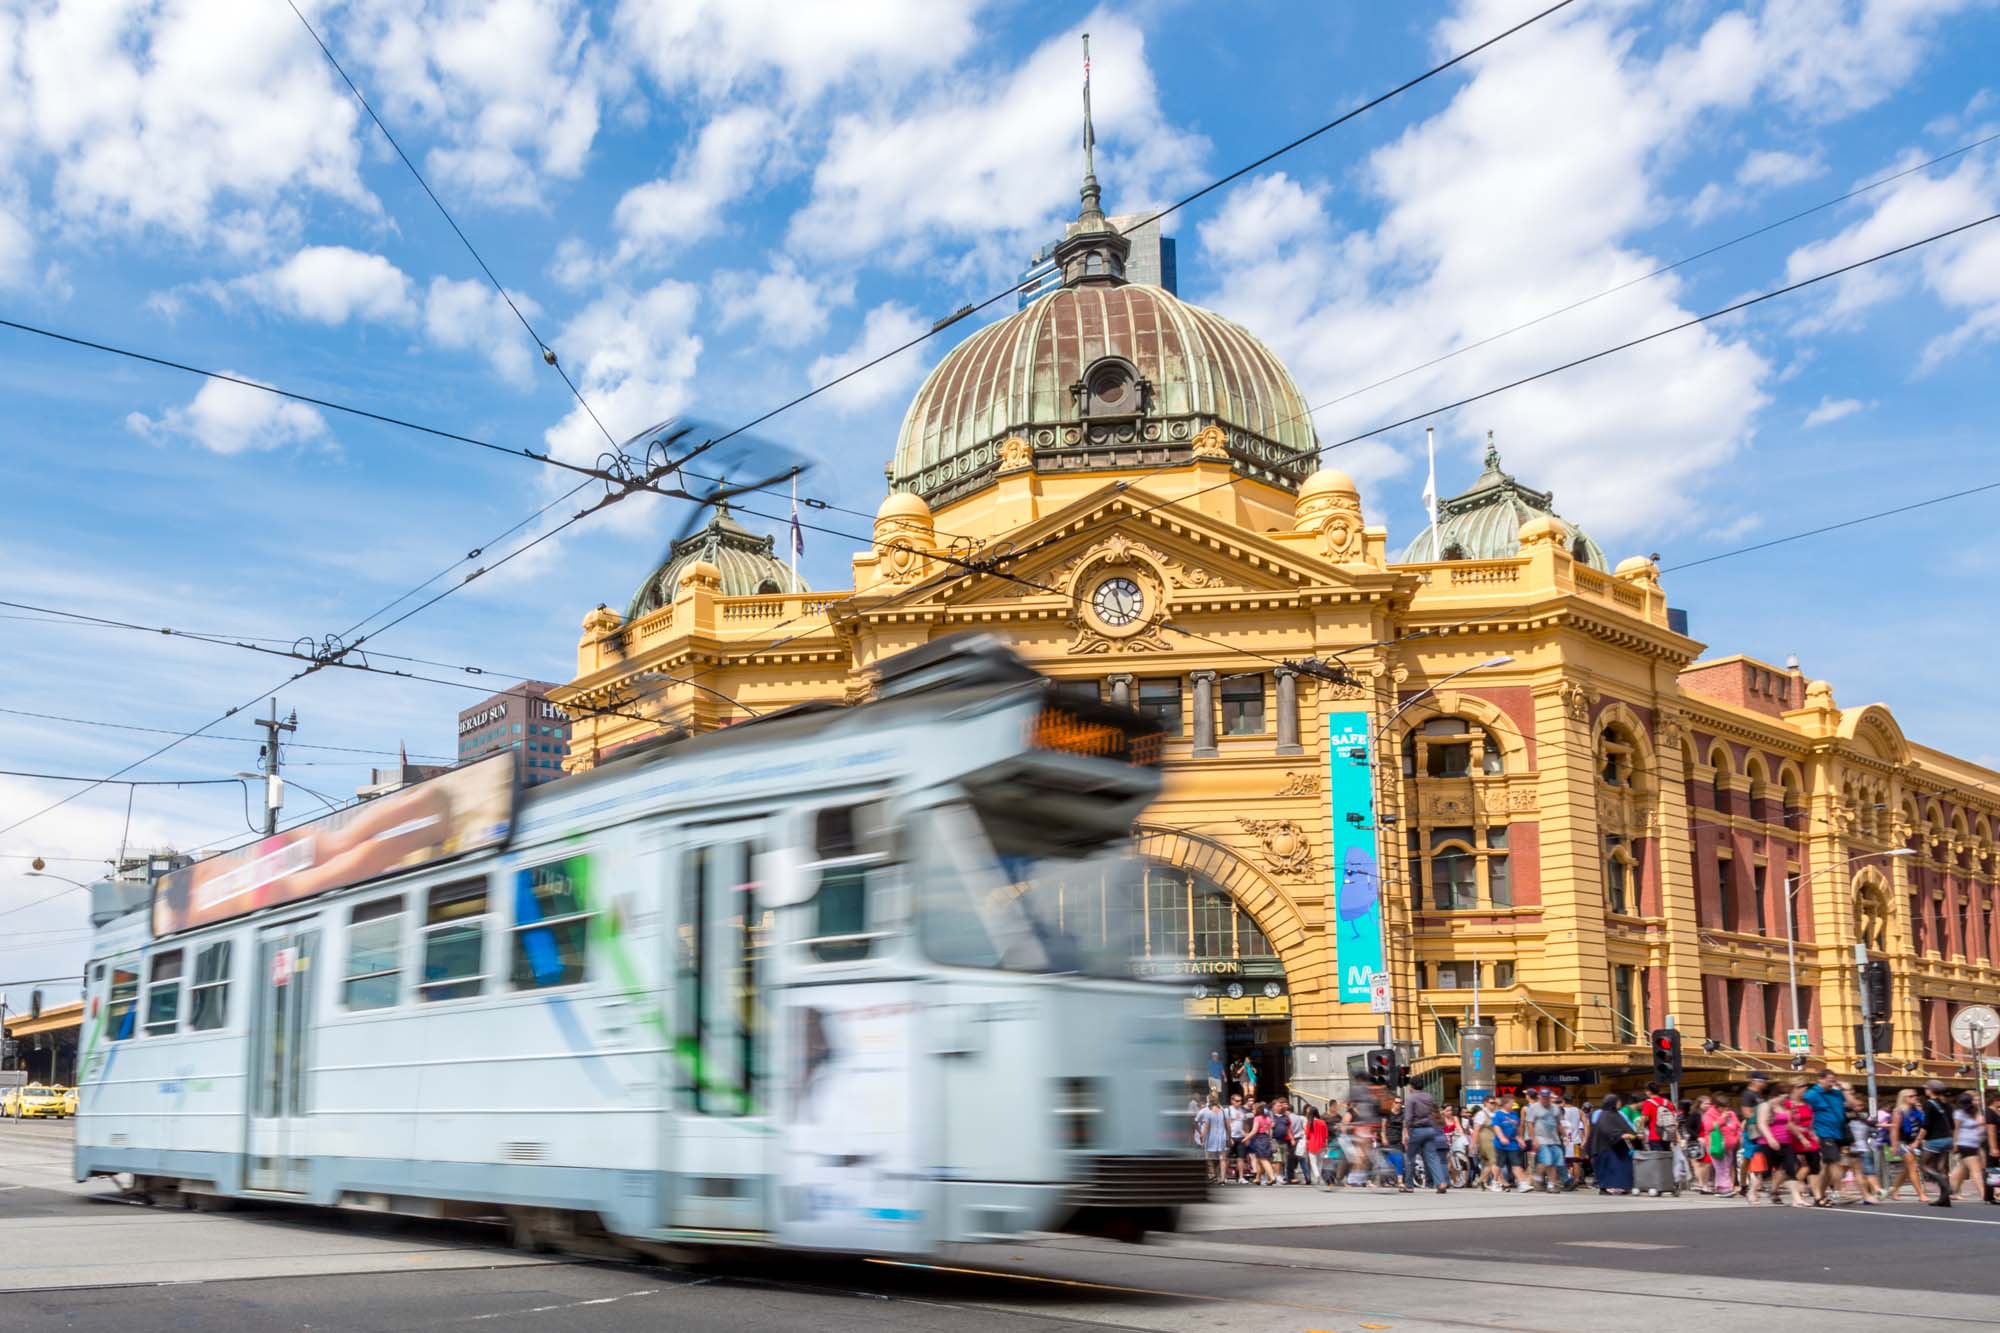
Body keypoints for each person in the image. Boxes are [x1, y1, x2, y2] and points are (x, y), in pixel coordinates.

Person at [1802, 1071, 1850, 1203]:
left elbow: (1852, 1104)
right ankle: (1839, 1191)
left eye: (1834, 1080)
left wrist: (1845, 1090)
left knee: (1826, 1166)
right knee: (1834, 1162)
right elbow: (1804, 1111)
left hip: (1838, 1133)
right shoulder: (1812, 1094)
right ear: (1820, 1080)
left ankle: (1820, 1195)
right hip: (1823, 1133)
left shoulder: (1836, 1093)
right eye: (1829, 1080)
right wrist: (1810, 1132)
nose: (1832, 1083)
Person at [1402, 1083, 1449, 1193]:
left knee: (1410, 1157)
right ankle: (1441, 1183)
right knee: (1433, 1157)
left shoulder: (1411, 1098)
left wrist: (1406, 1130)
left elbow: (1408, 1117)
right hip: (1429, 1128)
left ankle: (1409, 1185)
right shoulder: (1429, 1096)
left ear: (1411, 1086)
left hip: (1416, 1129)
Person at [1588, 1093, 1638, 1194]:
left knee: (1623, 1166)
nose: (1619, 1103)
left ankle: (1623, 1186)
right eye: (1617, 1101)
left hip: (1616, 1147)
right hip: (1605, 1147)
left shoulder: (1616, 1114)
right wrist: (1620, 1135)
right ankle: (1604, 1187)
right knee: (1608, 1167)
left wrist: (1633, 1135)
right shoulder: (1605, 1115)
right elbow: (1606, 1129)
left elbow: (1625, 1127)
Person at [1918, 1079, 1956, 1207]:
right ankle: (1945, 1199)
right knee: (1942, 1167)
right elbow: (1952, 1124)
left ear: (1930, 1090)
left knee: (1924, 1165)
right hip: (1947, 1138)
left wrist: (1917, 1140)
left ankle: (1945, 1186)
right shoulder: (1947, 1104)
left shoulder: (1929, 1104)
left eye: (1926, 1088)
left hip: (1934, 1139)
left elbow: (1926, 1125)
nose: (1925, 1090)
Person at [1885, 1088, 1926, 1202]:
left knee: (1907, 1169)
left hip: (1913, 1142)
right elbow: (1894, 1130)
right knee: (1913, 1167)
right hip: (1902, 1142)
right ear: (1904, 1098)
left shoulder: (1916, 1110)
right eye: (1911, 1096)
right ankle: (1921, 1194)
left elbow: (1923, 1124)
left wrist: (1920, 1110)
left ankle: (1894, 1190)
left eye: (1915, 1095)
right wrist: (1894, 1145)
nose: (1915, 1098)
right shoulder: (1898, 1111)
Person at [1700, 1094, 1742, 1196]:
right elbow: (1709, 1127)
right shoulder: (1709, 1115)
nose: (1725, 1109)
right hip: (1716, 1145)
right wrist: (1722, 1119)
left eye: (1727, 1106)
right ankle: (1725, 1188)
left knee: (1726, 1166)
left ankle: (1720, 1187)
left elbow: (1738, 1126)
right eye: (1723, 1107)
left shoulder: (1731, 1114)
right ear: (1716, 1106)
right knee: (1721, 1167)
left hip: (1729, 1146)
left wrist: (1737, 1138)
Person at [1490, 1094, 1532, 1192]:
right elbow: (1496, 1127)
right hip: (1501, 1144)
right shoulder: (1498, 1114)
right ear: (1505, 1104)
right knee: (1499, 1164)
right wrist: (1501, 1138)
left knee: (1516, 1164)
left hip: (1512, 1144)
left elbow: (1515, 1130)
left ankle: (1522, 1184)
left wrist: (1520, 1139)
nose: (1513, 1105)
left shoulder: (1514, 1115)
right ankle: (1495, 1182)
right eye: (1511, 1103)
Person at [1525, 1090, 1565, 1193]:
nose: (1545, 1099)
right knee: (1547, 1160)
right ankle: (1537, 1178)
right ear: (1539, 1097)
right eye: (1543, 1097)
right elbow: (1529, 1124)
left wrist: (1564, 1135)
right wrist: (1533, 1139)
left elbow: (1558, 1123)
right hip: (1540, 1138)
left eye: (1547, 1097)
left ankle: (1551, 1185)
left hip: (1554, 1139)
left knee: (1554, 1162)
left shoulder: (1555, 1108)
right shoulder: (1533, 1108)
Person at [1950, 1092, 1986, 1203]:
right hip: (1965, 1144)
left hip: (1975, 1144)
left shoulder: (1974, 1112)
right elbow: (1956, 1129)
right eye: (1973, 1100)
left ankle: (1952, 1192)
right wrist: (1955, 1143)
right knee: (1976, 1170)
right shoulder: (1959, 1113)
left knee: (1962, 1168)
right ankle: (1984, 1194)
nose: (1976, 1102)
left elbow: (1981, 1124)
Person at [1195, 1095, 1229, 1183]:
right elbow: (1228, 1125)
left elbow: (1206, 1126)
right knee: (1222, 1157)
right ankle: (1222, 1178)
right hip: (1222, 1136)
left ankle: (1213, 1174)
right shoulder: (1223, 1111)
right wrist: (1230, 1136)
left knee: (1208, 1156)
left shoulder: (1208, 1112)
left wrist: (1202, 1136)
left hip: (1211, 1136)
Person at [1558, 1094, 1588, 1189]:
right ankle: (1576, 1180)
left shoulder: (1559, 1110)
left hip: (1564, 1141)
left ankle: (1568, 1181)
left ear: (1563, 1101)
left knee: (1566, 1162)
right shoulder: (1579, 1111)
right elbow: (1586, 1124)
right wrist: (1585, 1139)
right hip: (1576, 1141)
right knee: (1576, 1162)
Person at [1224, 1093, 1249, 1184]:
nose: (1239, 1102)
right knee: (1228, 1158)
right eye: (1237, 1101)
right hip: (1231, 1137)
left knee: (1241, 1158)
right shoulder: (1228, 1110)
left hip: (1240, 1137)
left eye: (1241, 1101)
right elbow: (1226, 1125)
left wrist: (1247, 1136)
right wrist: (1228, 1137)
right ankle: (1224, 1176)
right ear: (1232, 1101)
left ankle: (1241, 1177)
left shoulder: (1243, 1111)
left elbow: (1245, 1124)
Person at [1304, 1105, 1330, 1185]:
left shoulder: (1309, 1123)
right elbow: (1326, 1135)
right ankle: (1318, 1175)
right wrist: (1326, 1145)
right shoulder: (1322, 1122)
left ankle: (1317, 1175)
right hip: (1321, 1144)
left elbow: (1307, 1135)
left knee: (1313, 1162)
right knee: (1320, 1162)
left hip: (1312, 1144)